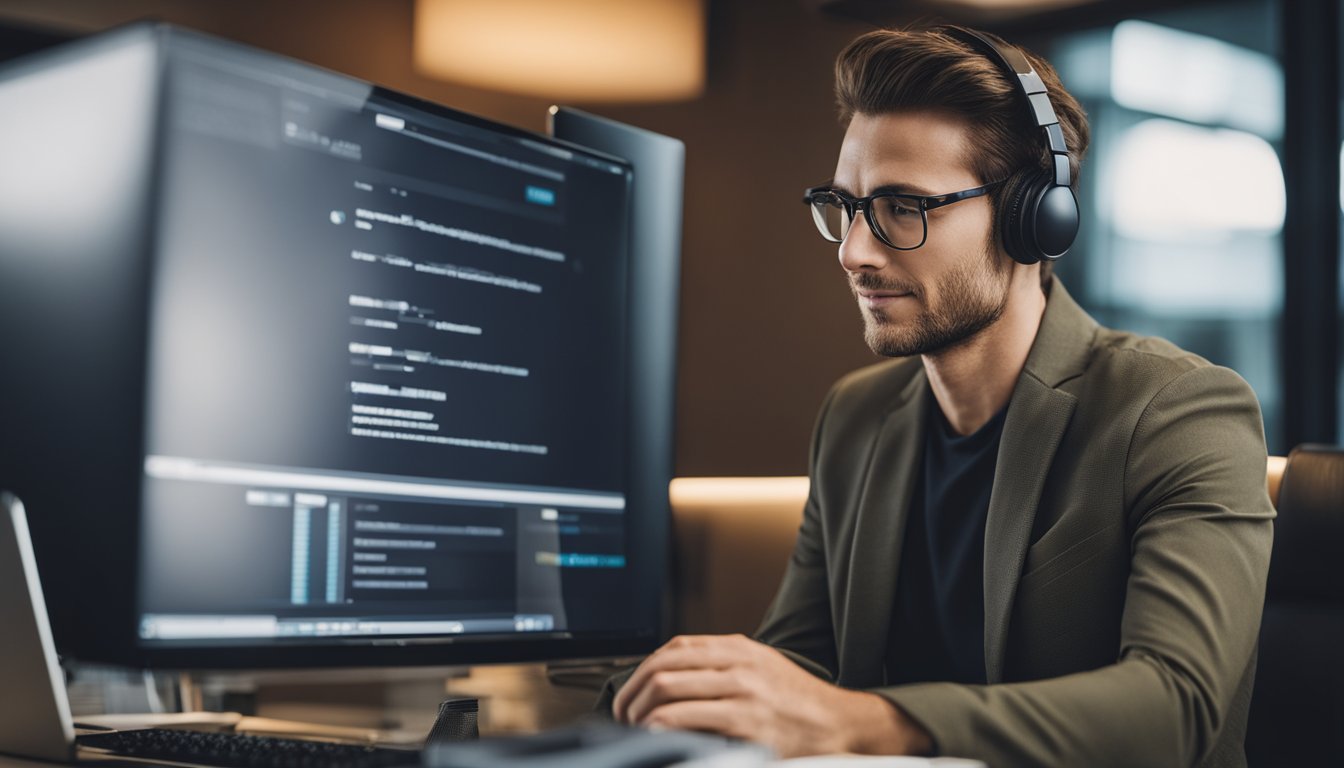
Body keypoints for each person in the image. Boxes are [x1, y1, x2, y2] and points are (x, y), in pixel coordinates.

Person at [601, 25, 1275, 768]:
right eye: (845, 205)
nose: (855, 252)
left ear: (1032, 218)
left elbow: (1176, 712)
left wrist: (869, 722)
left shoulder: (1181, 413)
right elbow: (799, 669)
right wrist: (694, 694)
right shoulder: (854, 419)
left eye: (903, 207)